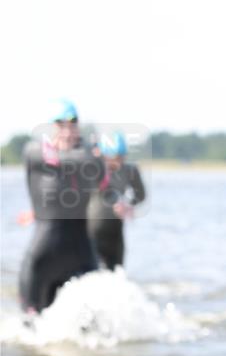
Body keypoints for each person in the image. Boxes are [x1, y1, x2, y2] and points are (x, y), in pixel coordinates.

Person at [18, 100, 105, 313]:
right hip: (43, 256)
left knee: (93, 322)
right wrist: (87, 153)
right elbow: (60, 159)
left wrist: (92, 156)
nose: (67, 131)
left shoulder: (88, 157)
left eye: (73, 125)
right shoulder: (34, 152)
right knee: (31, 323)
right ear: (51, 127)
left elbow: (102, 177)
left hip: (81, 253)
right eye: (61, 125)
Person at [87, 131, 146, 269]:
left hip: (115, 232)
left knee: (117, 273)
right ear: (103, 155)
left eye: (121, 157)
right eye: (114, 157)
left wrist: (128, 204)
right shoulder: (92, 168)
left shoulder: (129, 170)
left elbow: (141, 194)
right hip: (90, 232)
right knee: (91, 273)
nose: (118, 162)